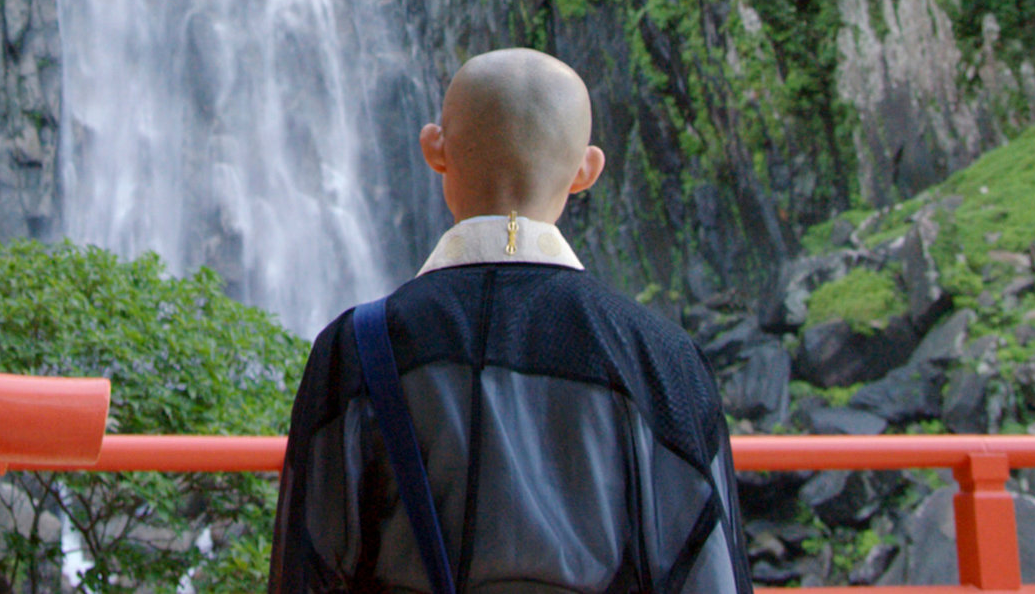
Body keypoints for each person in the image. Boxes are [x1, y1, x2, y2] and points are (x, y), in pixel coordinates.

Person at [269, 48, 752, 594]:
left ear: (435, 149)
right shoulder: (659, 357)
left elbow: (306, 569)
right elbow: (709, 573)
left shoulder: (355, 348)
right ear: (585, 171)